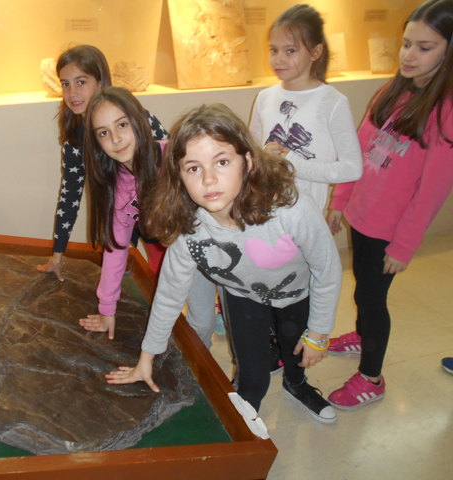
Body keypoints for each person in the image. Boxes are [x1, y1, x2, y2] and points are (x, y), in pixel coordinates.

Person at [106, 103, 342, 424]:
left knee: (296, 351)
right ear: (179, 176)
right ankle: (244, 417)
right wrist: (146, 359)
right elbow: (169, 294)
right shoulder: (189, 229)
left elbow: (327, 269)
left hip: (297, 293)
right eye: (193, 168)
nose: (208, 179)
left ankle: (296, 384)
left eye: (221, 162)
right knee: (252, 376)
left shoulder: (290, 209)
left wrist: (318, 333)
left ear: (248, 161)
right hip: (244, 296)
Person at [326, 0, 453, 410]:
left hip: (390, 230)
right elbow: (357, 151)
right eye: (406, 43)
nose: (409, 55)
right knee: (363, 289)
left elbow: (431, 192)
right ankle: (363, 335)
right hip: (362, 216)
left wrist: (404, 246)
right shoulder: (392, 91)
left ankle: (371, 377)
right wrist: (341, 200)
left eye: (425, 47)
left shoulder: (446, 112)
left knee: (372, 299)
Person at [248, 4, 362, 374]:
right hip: (265, 215)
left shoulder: (333, 102)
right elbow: (249, 153)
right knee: (265, 284)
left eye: (290, 50)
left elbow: (352, 166)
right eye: (273, 49)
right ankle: (271, 349)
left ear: (315, 52)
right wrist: (261, 159)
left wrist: (294, 164)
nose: (278, 59)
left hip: (305, 219)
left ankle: (297, 361)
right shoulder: (265, 97)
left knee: (298, 295)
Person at [78, 87, 216, 344]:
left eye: (122, 125)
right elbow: (116, 248)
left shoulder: (174, 156)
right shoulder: (117, 187)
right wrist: (107, 309)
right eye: (104, 133)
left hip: (225, 246)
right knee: (200, 324)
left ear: (139, 120)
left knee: (239, 313)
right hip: (188, 258)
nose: (116, 139)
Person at [37, 45, 168, 281]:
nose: (72, 93)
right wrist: (57, 257)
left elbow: (171, 162)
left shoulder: (137, 117)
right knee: (124, 272)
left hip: (159, 212)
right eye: (65, 84)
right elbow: (69, 196)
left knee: (165, 273)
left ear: (100, 82)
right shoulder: (75, 141)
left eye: (81, 82)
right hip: (120, 219)